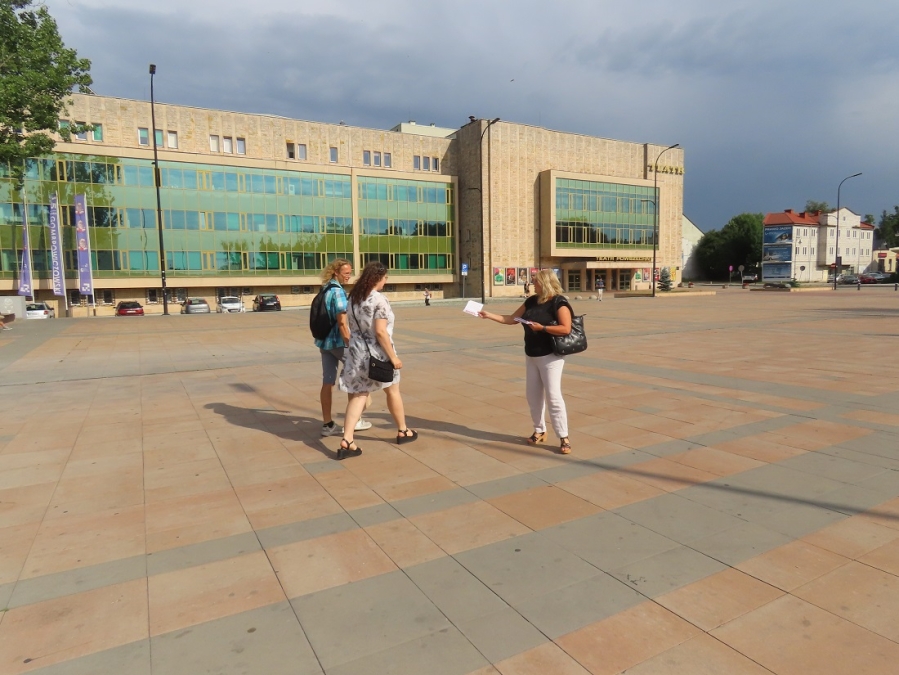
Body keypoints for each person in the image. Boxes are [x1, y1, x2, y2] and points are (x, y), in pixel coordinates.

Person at [479, 269, 573, 454]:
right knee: (533, 396)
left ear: (545, 283)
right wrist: (488, 315)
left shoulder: (558, 302)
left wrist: (542, 328)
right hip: (531, 355)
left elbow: (566, 328)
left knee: (553, 397)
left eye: (535, 281)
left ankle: (564, 437)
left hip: (550, 357)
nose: (532, 284)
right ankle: (540, 430)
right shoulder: (531, 301)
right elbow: (511, 319)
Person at [338, 262, 417, 459]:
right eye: (385, 278)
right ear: (377, 278)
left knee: (359, 395)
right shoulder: (380, 300)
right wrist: (393, 357)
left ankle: (347, 439)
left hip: (356, 353)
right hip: (378, 353)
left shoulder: (354, 297)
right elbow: (381, 332)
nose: (385, 281)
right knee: (392, 390)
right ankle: (403, 430)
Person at [314, 259, 372, 437]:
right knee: (357, 378)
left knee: (328, 382)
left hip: (324, 342)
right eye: (346, 273)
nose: (349, 276)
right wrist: (350, 344)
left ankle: (327, 424)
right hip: (339, 343)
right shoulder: (338, 292)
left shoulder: (325, 288)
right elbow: (342, 322)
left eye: (350, 272)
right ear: (336, 273)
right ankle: (356, 420)